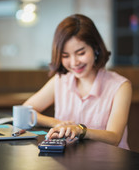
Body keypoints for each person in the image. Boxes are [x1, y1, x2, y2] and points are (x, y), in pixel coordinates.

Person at [23, 14, 132, 149]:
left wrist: (80, 130)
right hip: (70, 159)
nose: (74, 63)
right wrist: (57, 123)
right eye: (65, 56)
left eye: (81, 53)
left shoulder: (120, 86)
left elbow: (114, 137)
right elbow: (25, 111)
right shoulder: (61, 80)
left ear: (96, 48)